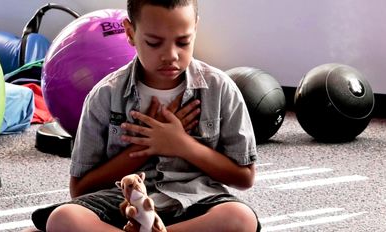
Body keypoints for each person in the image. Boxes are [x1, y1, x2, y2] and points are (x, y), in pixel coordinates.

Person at [31, 0, 261, 231]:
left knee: (240, 219)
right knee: (63, 218)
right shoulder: (105, 95)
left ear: (195, 28)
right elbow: (80, 188)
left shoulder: (221, 89)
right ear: (130, 33)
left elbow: (244, 177)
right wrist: (144, 148)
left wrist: (182, 145)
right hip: (120, 203)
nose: (170, 55)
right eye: (154, 43)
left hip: (196, 200)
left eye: (183, 42)